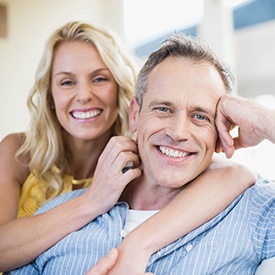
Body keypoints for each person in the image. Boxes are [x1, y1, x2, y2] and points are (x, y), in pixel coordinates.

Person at [0, 21, 254, 273]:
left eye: (99, 79)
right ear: (50, 95)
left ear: (121, 87)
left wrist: (137, 246)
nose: (84, 94)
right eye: (67, 82)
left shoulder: (148, 150)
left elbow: (233, 174)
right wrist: (92, 202)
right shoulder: (18, 151)